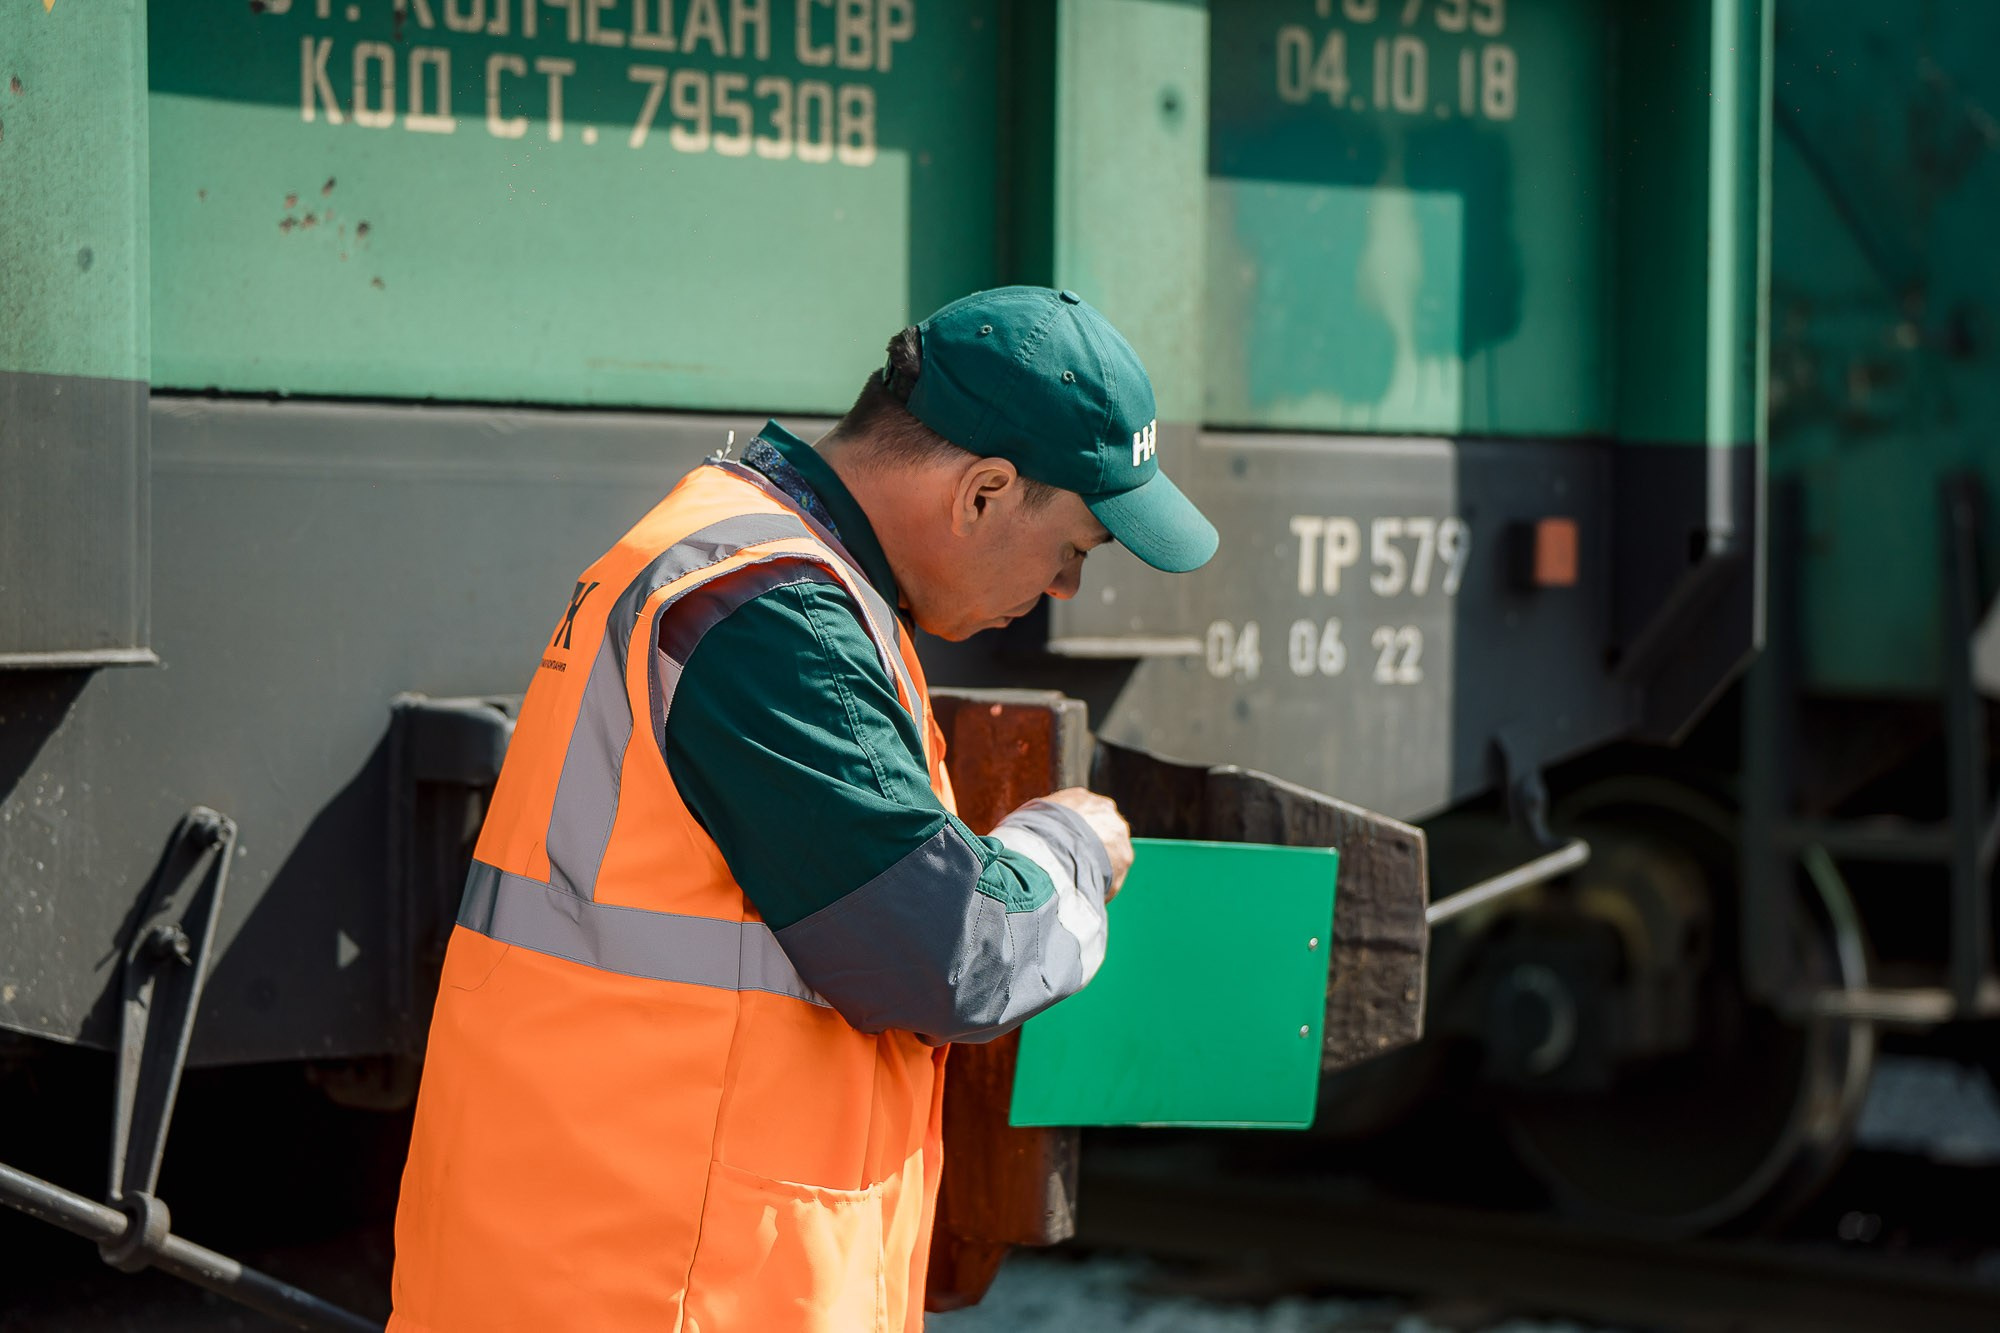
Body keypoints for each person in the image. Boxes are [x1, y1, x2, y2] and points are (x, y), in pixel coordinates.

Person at [387, 286, 1219, 1332]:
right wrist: (1068, 849)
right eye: (1076, 548)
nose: (1064, 590)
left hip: (608, 1260)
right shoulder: (767, 613)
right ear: (984, 492)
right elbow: (944, 955)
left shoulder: (739, 559)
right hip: (659, 1286)